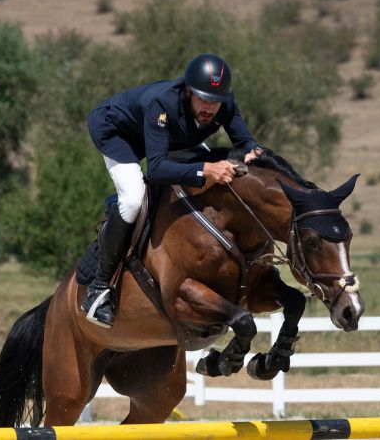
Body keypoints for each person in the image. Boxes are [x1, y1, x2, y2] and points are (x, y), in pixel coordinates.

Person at [82, 53, 263, 328]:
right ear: (188, 90)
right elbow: (155, 170)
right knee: (132, 199)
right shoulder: (162, 103)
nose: (209, 107)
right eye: (203, 99)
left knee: (222, 163)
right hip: (118, 133)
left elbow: (244, 141)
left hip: (164, 135)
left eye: (215, 102)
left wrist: (253, 153)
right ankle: (99, 288)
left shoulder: (223, 102)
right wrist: (206, 171)